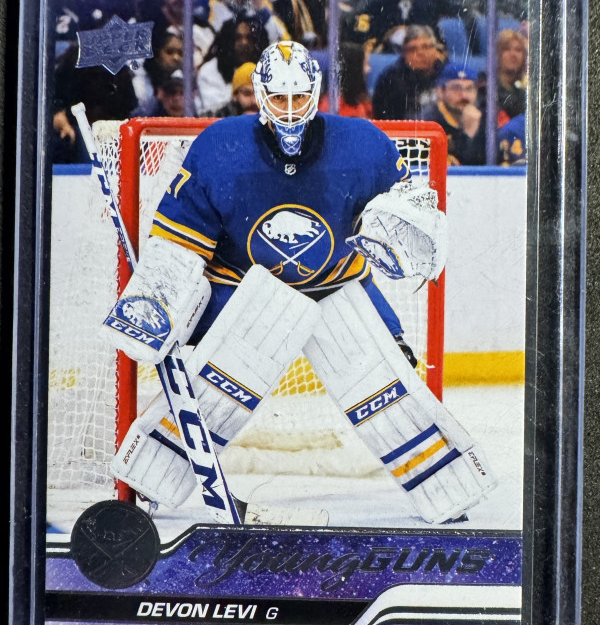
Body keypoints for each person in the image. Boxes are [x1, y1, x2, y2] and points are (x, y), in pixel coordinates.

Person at [105, 41, 494, 527]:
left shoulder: (364, 144)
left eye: (299, 97)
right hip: (243, 289)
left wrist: (411, 230)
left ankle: (448, 493)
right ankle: (147, 484)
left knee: (389, 388)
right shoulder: (220, 146)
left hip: (339, 285)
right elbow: (179, 241)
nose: (289, 110)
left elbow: (409, 208)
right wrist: (157, 300)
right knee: (213, 390)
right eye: (279, 98)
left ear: (316, 92)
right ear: (260, 95)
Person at [196, 17, 269, 112]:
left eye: (249, 37)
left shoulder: (266, 68)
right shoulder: (210, 70)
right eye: (238, 38)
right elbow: (214, 108)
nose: (244, 43)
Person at [372, 25, 445, 119]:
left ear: (435, 50)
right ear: (404, 54)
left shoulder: (447, 72)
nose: (420, 53)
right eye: (413, 49)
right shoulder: (390, 79)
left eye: (426, 47)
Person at [419, 62, 486, 166]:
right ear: (441, 91)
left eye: (469, 88)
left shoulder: (485, 119)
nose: (464, 95)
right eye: (456, 88)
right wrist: (468, 134)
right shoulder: (427, 122)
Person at [319, 41, 373, 117]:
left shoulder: (363, 100)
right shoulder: (332, 106)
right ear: (354, 68)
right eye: (365, 64)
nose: (368, 69)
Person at [496, 29, 527, 128]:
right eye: (506, 49)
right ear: (498, 54)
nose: (513, 54)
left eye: (518, 50)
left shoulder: (520, 90)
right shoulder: (487, 85)